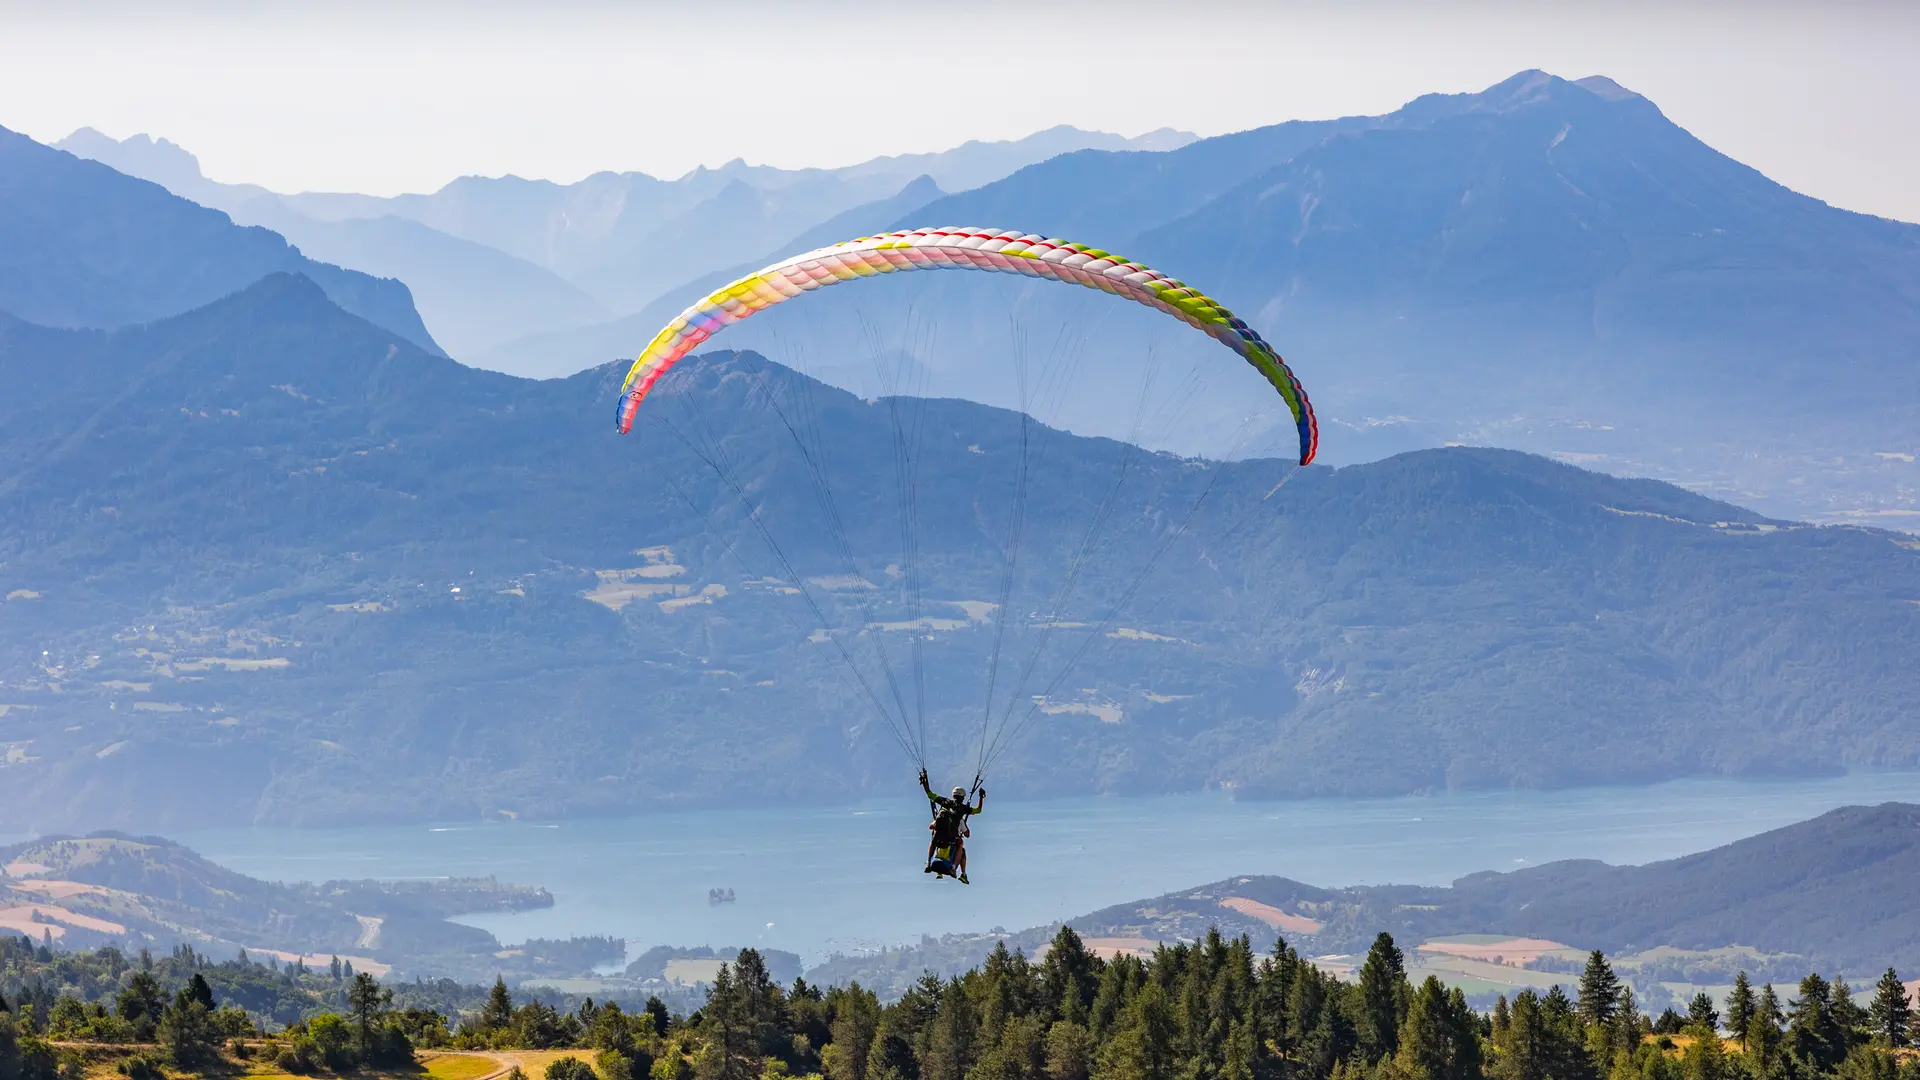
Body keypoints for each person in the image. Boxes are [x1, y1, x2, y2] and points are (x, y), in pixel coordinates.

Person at [919, 769, 985, 883]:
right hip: (951, 839)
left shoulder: (944, 802)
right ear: (963, 798)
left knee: (933, 839)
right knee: (960, 844)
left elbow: (929, 794)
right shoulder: (963, 809)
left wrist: (925, 782)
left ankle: (928, 862)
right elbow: (978, 810)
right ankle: (954, 868)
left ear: (953, 795)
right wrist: (981, 797)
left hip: (938, 839)